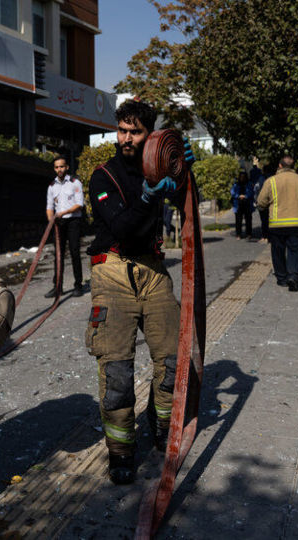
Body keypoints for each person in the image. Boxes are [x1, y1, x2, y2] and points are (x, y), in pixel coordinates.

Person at [85, 100, 188, 485]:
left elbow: (183, 200)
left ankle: (161, 424)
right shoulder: (102, 177)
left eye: (136, 132)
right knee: (116, 371)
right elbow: (124, 228)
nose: (127, 138)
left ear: (150, 136)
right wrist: (147, 197)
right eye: (122, 130)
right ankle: (121, 450)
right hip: (111, 271)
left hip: (153, 269)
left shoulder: (159, 168)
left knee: (172, 359)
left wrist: (183, 170)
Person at [256, 155, 298, 291]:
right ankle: (293, 276)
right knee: (295, 251)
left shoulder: (271, 181)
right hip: (297, 224)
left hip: (277, 225)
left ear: (279, 166)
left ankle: (282, 278)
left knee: (277, 251)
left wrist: (263, 208)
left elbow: (261, 202)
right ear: (293, 166)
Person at [45, 156, 85, 298]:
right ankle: (58, 287)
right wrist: (51, 220)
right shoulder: (51, 186)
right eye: (56, 167)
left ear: (66, 167)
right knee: (58, 255)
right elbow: (49, 207)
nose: (59, 169)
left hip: (73, 221)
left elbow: (79, 204)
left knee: (74, 253)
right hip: (59, 223)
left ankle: (78, 285)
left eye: (61, 166)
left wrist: (64, 213)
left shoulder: (75, 183)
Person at [230, 171, 254, 239]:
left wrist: (245, 196)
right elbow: (232, 192)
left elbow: (251, 192)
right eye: (241, 177)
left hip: (247, 203)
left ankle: (249, 233)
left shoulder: (249, 184)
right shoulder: (236, 184)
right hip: (238, 204)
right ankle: (238, 234)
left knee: (248, 219)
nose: (242, 178)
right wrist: (238, 196)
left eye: (244, 177)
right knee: (238, 220)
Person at [250, 159, 269, 241]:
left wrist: (256, 201)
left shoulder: (261, 178)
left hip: (262, 202)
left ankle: (265, 236)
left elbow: (256, 189)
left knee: (264, 220)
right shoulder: (273, 178)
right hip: (270, 203)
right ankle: (268, 236)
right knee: (267, 220)